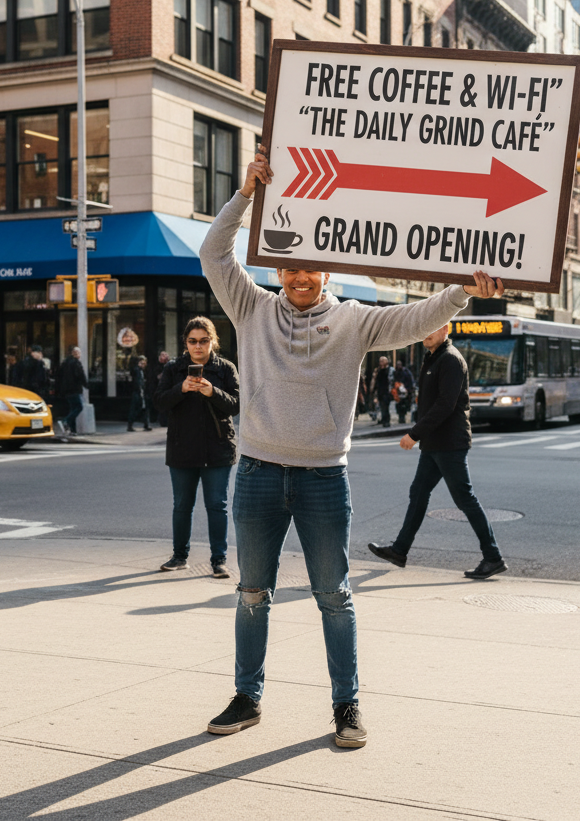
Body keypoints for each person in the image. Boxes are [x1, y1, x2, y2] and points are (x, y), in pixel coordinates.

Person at [198, 146, 504, 748]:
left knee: (335, 597)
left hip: (320, 480)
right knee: (252, 593)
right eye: (291, 268)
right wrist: (245, 195)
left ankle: (346, 707)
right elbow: (213, 253)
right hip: (257, 472)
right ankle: (247, 697)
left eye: (312, 269)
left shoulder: (356, 321)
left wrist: (461, 294)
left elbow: (417, 318)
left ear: (328, 273)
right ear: (279, 269)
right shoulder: (251, 308)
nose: (301, 277)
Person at [368, 323, 508, 580]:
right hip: (434, 444)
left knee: (465, 499)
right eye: (422, 328)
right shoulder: (434, 357)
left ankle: (493, 557)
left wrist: (414, 433)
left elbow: (445, 405)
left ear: (445, 328)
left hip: (449, 443)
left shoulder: (451, 360)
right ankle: (399, 550)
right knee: (418, 492)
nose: (425, 333)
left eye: (431, 328)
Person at [154, 318, 239, 578]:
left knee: (217, 505)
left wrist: (212, 392)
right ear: (186, 343)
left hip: (218, 448)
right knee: (182, 505)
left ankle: (219, 561)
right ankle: (180, 556)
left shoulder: (225, 368)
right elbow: (159, 403)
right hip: (182, 449)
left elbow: (236, 404)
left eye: (204, 340)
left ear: (213, 341)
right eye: (193, 341)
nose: (198, 346)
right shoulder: (174, 369)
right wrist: (181, 389)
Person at [55, 346, 87, 436]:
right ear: (75, 353)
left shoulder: (64, 363)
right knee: (79, 407)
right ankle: (66, 421)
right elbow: (80, 375)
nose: (79, 355)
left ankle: (73, 430)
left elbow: (58, 376)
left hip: (66, 390)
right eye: (78, 353)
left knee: (73, 408)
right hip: (74, 389)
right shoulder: (76, 363)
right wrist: (86, 385)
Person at [127, 356, 152, 432]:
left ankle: (146, 424)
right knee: (136, 409)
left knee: (144, 409)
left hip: (141, 392)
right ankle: (131, 425)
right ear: (138, 363)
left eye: (144, 363)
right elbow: (138, 382)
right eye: (142, 363)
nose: (143, 365)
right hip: (138, 392)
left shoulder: (142, 371)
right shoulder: (137, 370)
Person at [371, 355, 394, 427]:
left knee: (386, 406)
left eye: (382, 361)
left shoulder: (390, 370)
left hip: (387, 391)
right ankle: (384, 419)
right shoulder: (378, 370)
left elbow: (392, 380)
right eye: (380, 361)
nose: (380, 363)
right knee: (381, 406)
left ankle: (386, 421)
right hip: (380, 391)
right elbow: (376, 380)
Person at [151, 351, 171, 427]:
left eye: (166, 355)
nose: (165, 357)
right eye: (163, 355)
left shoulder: (169, 365)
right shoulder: (157, 366)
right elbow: (158, 377)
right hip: (158, 388)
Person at [393, 359, 415, 424]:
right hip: (398, 391)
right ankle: (401, 417)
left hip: (405, 390)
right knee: (399, 405)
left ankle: (402, 417)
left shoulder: (406, 372)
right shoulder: (396, 372)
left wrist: (408, 389)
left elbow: (410, 381)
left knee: (404, 404)